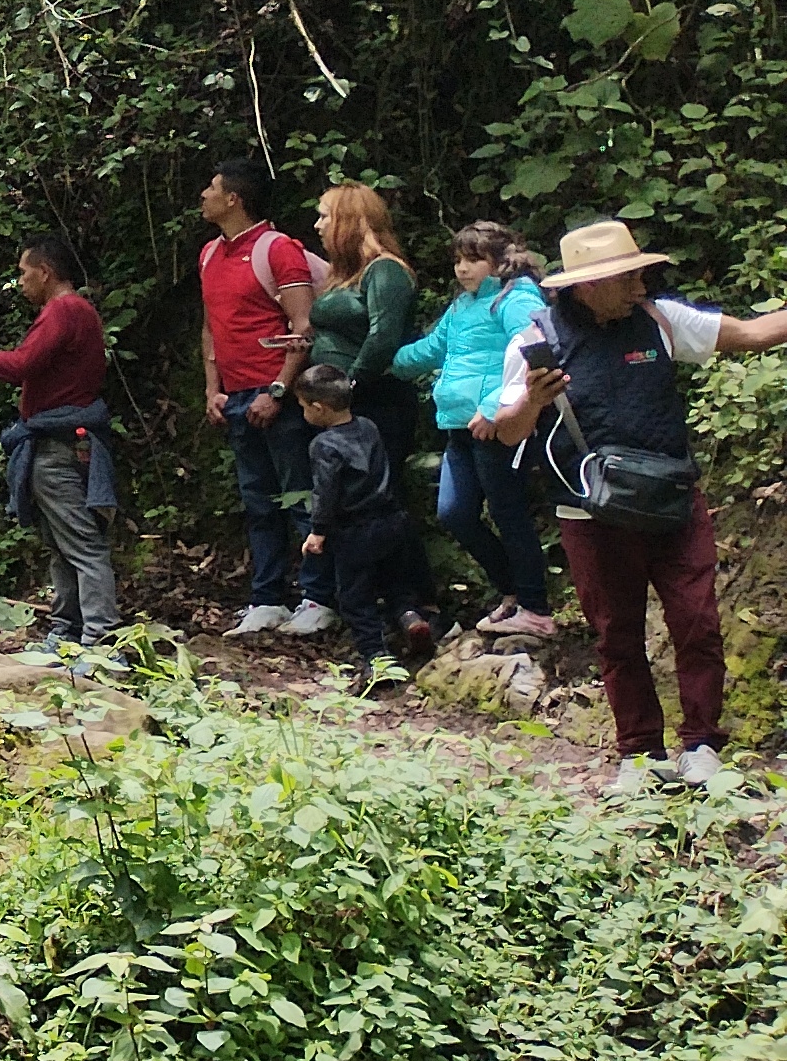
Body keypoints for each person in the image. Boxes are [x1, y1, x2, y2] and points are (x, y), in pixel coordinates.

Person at [483, 217, 787, 786]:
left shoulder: (659, 320)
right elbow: (506, 430)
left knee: (698, 623)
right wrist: (532, 399)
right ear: (591, 284)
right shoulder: (533, 340)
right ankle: (639, 756)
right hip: (590, 512)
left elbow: (751, 334)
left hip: (674, 500)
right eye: (629, 277)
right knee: (617, 634)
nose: (641, 285)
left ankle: (701, 746)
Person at [0, 235, 116, 651]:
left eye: (24, 272)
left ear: (45, 272)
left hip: (58, 445)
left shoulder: (65, 310)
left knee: (82, 545)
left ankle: (99, 638)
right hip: (59, 441)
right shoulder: (76, 312)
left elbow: (21, 365)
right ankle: (66, 632)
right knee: (62, 544)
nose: (20, 281)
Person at [393, 223, 557, 639]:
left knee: (508, 513)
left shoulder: (515, 298)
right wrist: (378, 361)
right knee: (455, 513)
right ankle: (512, 592)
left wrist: (493, 409)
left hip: (498, 427)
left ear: (498, 263)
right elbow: (432, 349)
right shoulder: (463, 305)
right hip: (459, 428)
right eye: (458, 260)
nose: (462, 269)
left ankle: (535, 606)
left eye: (473, 260)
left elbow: (533, 351)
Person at [196, 156, 324, 638]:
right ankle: (267, 597)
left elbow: (303, 326)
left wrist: (278, 389)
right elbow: (211, 326)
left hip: (280, 395)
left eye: (211, 187)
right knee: (258, 500)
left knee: (300, 495)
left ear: (234, 198)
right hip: (234, 395)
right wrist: (213, 389)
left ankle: (318, 595)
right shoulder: (209, 254)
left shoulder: (278, 249)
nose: (203, 196)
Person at [294, 368, 430, 680]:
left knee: (355, 598)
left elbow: (325, 491)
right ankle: (410, 617)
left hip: (355, 531)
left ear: (318, 408)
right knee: (396, 582)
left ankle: (377, 660)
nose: (303, 412)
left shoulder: (323, 445)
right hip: (392, 520)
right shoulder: (369, 427)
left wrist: (318, 531)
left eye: (303, 406)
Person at [302, 186, 421, 420]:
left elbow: (383, 338)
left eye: (324, 216)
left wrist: (349, 387)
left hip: (374, 402)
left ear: (348, 222)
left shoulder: (386, 269)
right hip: (337, 405)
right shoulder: (345, 275)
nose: (317, 225)